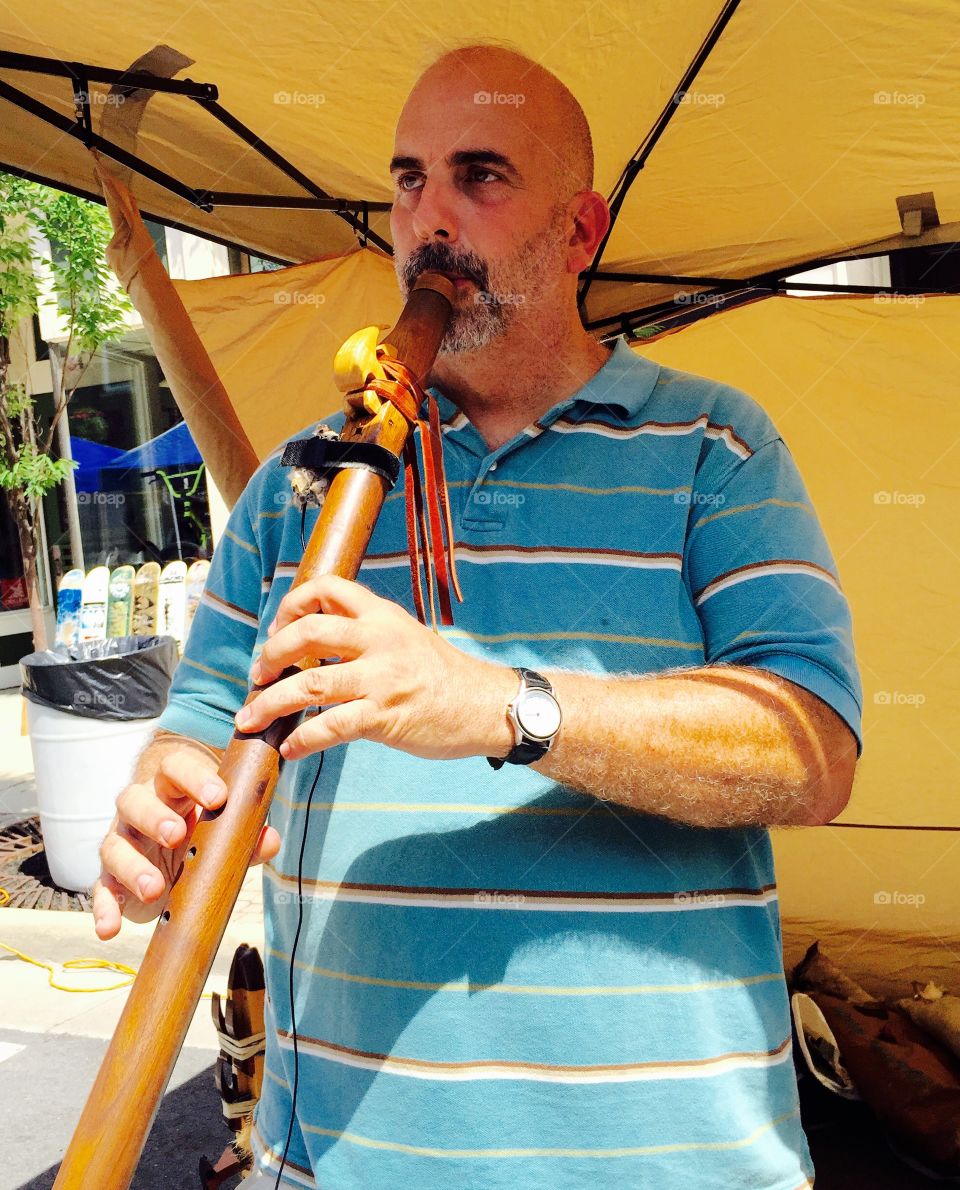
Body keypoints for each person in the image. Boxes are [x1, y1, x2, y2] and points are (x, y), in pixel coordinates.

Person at [94, 43, 861, 1189]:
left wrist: (498, 703)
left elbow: (812, 750)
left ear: (579, 230)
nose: (428, 220)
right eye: (408, 181)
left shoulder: (716, 447)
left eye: (481, 176)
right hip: (345, 1163)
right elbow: (203, 715)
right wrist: (166, 794)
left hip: (672, 1164)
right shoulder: (302, 484)